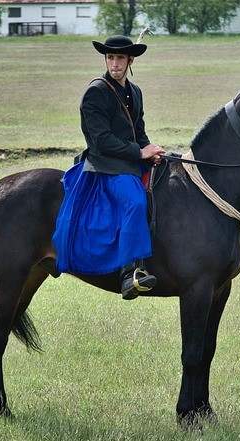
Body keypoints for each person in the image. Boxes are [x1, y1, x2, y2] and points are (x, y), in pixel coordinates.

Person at [53, 35, 165, 300]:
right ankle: (130, 274)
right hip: (105, 165)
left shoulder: (135, 91)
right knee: (135, 201)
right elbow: (101, 141)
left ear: (130, 60)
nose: (115, 64)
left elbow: (139, 132)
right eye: (110, 58)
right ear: (106, 59)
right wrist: (139, 152)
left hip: (130, 160)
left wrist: (152, 151)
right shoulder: (96, 92)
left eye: (120, 58)